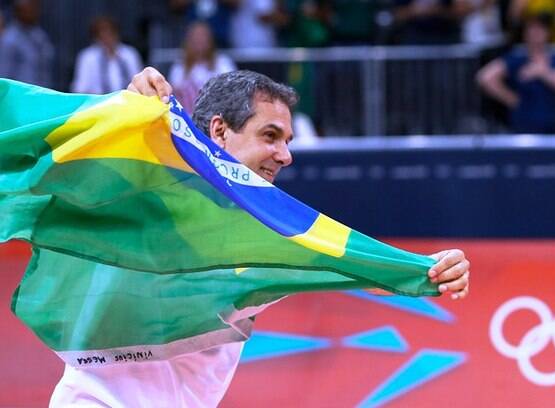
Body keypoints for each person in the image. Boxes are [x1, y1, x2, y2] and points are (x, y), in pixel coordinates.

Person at [50, 66, 471, 407]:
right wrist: (126, 106)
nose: (285, 155)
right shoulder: (149, 185)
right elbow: (79, 160)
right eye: (270, 136)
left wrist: (427, 269)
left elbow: (350, 269)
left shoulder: (269, 235)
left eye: (287, 141)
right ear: (219, 131)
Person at [476, 12, 555, 133]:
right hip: (522, 127)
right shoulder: (517, 60)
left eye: (540, 29)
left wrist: (542, 73)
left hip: (552, 128)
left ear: (548, 33)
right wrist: (511, 99)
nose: (535, 34)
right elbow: (485, 77)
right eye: (531, 30)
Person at [168, 21, 236, 114]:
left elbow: (233, 93)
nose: (199, 40)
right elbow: (174, 97)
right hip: (188, 120)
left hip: (218, 117)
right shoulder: (179, 67)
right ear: (188, 40)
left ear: (210, 40)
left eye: (203, 36)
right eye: (196, 37)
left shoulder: (223, 63)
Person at [70, 16, 143, 94]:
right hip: (99, 102)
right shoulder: (87, 57)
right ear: (96, 38)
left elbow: (139, 83)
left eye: (110, 34)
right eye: (102, 35)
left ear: (117, 34)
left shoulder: (130, 54)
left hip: (128, 101)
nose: (107, 38)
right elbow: (80, 89)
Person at [0, 0, 54, 88]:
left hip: (42, 93)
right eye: (30, 8)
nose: (34, 11)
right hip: (20, 96)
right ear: (18, 11)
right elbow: (4, 74)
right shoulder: (10, 39)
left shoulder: (39, 34)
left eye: (36, 7)